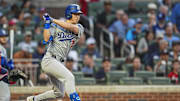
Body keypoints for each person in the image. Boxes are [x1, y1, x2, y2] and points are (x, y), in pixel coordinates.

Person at [27, 4, 84, 101]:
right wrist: (47, 24)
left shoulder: (79, 27)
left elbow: (72, 28)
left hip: (59, 62)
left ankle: (33, 99)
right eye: (75, 14)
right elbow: (46, 39)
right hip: (50, 59)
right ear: (69, 14)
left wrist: (53, 20)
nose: (78, 16)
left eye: (78, 14)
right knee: (69, 77)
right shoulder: (56, 26)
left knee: (59, 93)